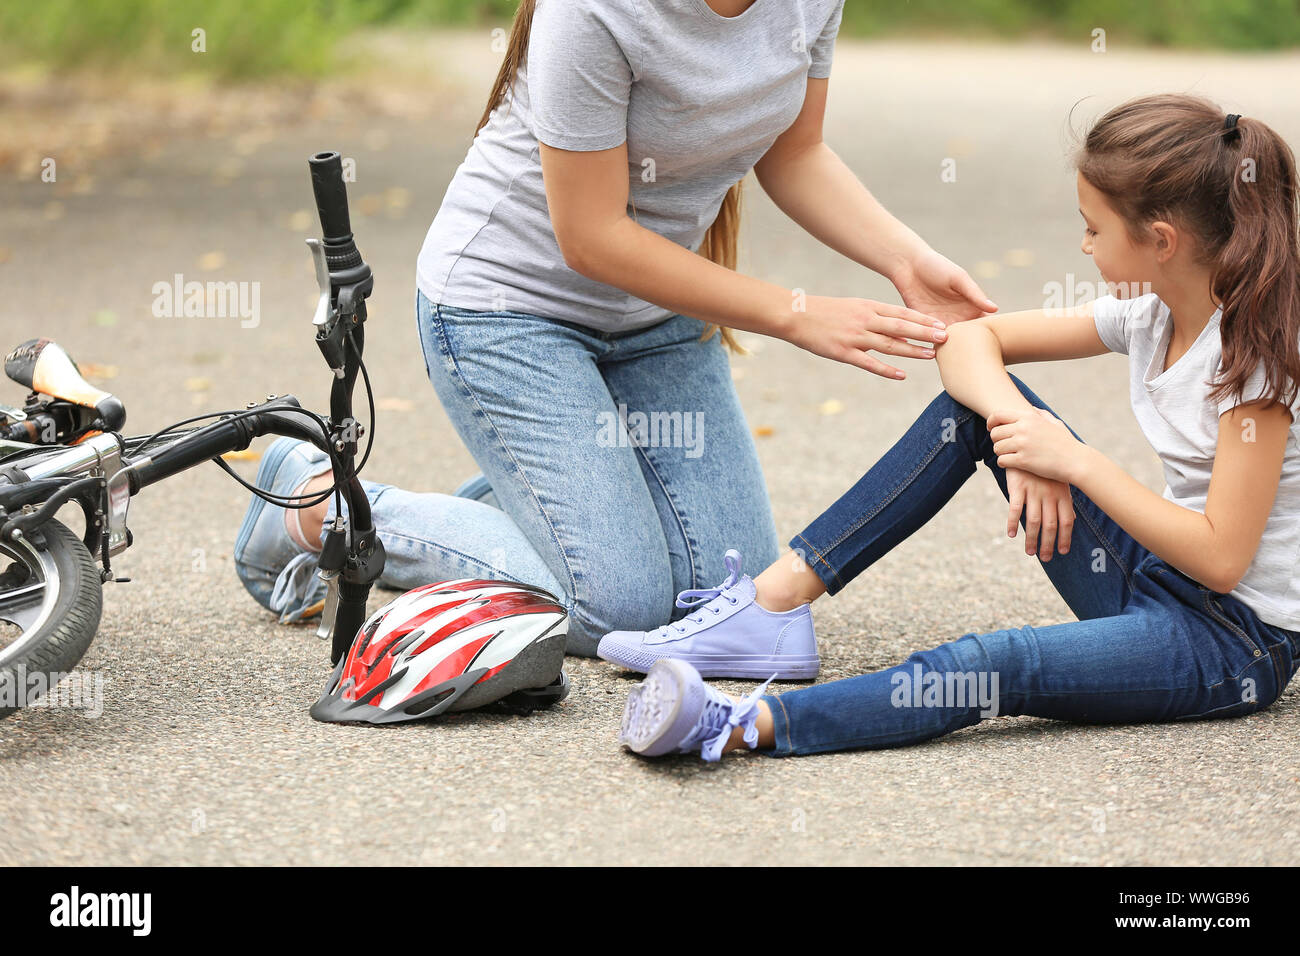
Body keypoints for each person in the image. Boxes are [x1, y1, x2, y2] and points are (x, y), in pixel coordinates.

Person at [233, 0, 994, 657]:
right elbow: (591, 236)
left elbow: (794, 153)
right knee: (614, 607)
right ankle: (318, 504)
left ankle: (556, 503)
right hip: (507, 312)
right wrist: (795, 314)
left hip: (658, 316)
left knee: (722, 596)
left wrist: (908, 261)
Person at [608, 94, 1300, 761]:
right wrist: (1019, 429)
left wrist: (1076, 463)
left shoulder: (1251, 367)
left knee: (987, 664)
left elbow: (1220, 559)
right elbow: (969, 342)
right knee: (970, 409)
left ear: (1162, 241)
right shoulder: (1149, 314)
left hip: (1229, 640)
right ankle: (772, 606)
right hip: (1154, 579)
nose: (1083, 243)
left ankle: (739, 725)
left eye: (1094, 227)